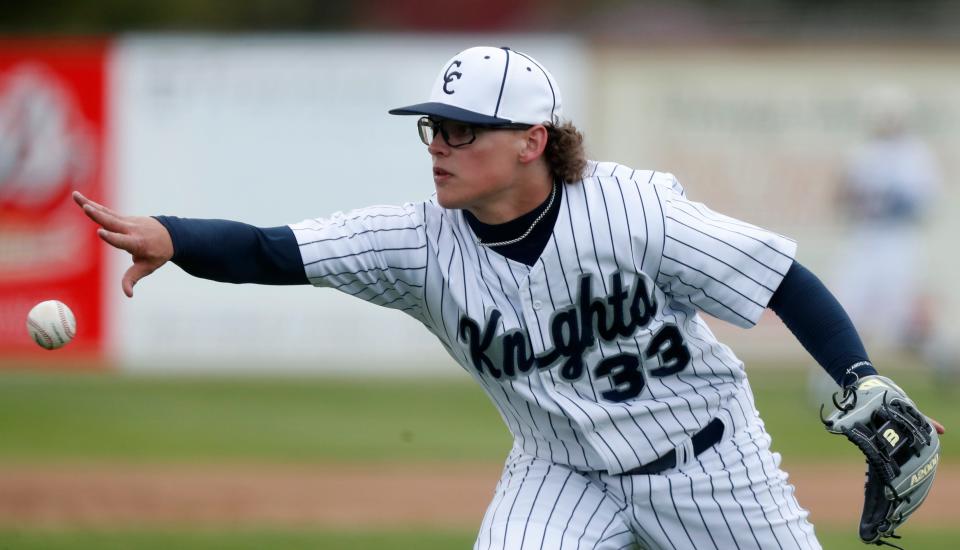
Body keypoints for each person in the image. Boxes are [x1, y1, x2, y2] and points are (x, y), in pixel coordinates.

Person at [75, 46, 943, 550]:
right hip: (559, 473)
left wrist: (860, 374)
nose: (439, 146)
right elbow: (276, 250)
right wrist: (173, 235)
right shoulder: (416, 242)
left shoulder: (633, 210)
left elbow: (779, 274)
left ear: (532, 141)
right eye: (433, 127)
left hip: (713, 463)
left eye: (462, 130)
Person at [832, 85, 941, 354]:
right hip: (865, 238)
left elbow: (923, 202)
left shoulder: (915, 155)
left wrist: (889, 200)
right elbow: (840, 197)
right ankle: (833, 376)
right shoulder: (863, 153)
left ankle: (942, 356)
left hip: (897, 240)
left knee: (900, 319)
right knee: (846, 306)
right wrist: (856, 199)